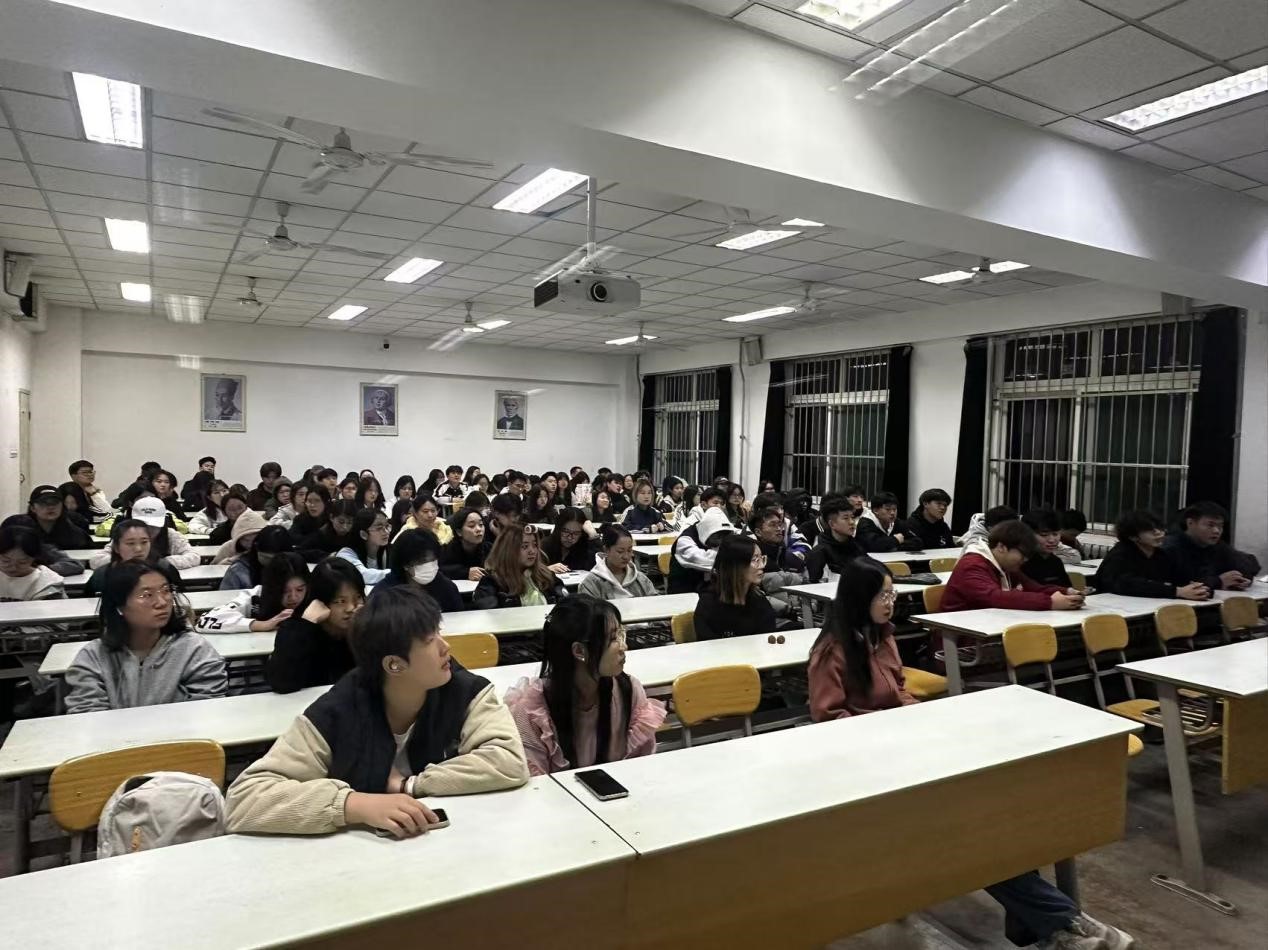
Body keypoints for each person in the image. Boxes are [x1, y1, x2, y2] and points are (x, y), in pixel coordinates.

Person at [807, 558, 1134, 950]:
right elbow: (829, 720)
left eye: (892, 594)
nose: (890, 603)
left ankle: (1059, 925)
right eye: (883, 596)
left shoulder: (883, 636)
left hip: (910, 752)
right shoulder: (832, 651)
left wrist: (917, 714)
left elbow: (898, 689)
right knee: (973, 836)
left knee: (995, 822)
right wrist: (887, 729)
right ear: (860, 598)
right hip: (872, 770)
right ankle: (1064, 923)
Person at [228, 587, 528, 838]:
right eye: (429, 640)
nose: (445, 646)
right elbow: (243, 800)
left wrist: (410, 785)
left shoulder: (465, 690)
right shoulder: (338, 710)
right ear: (394, 664)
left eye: (438, 632)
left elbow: (509, 761)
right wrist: (352, 805)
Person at [505, 595, 665, 775]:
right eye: (614, 638)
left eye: (621, 634)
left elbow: (642, 766)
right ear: (579, 651)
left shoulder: (629, 690)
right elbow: (538, 784)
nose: (624, 647)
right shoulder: (531, 710)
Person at [64, 561, 227, 713]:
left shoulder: (194, 649)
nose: (161, 602)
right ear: (119, 605)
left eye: (166, 591)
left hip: (182, 734)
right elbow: (88, 716)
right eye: (147, 595)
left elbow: (206, 709)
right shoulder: (94, 656)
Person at [267, 558, 365, 693]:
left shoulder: (365, 628)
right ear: (319, 602)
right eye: (340, 601)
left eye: (358, 598)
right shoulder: (294, 628)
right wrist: (305, 626)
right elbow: (282, 684)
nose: (351, 608)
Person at [943, 520, 1084, 612]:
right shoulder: (972, 565)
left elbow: (1034, 587)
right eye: (1022, 554)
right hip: (960, 639)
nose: (1025, 560)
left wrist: (1067, 592)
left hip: (988, 627)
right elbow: (994, 597)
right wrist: (1050, 602)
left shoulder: (1004, 565)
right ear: (1001, 547)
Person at [1094, 511, 1210, 601]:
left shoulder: (1161, 554)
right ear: (1133, 536)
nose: (1158, 532)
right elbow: (1127, 584)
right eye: (1150, 530)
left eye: (1159, 528)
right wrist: (1176, 591)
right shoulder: (1120, 554)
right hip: (1115, 607)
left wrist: (1197, 588)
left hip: (1148, 605)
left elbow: (1178, 577)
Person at [197, 553, 310, 634]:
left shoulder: (315, 597)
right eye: (284, 591)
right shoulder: (256, 596)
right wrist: (262, 625)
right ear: (272, 588)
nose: (293, 597)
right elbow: (204, 621)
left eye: (300, 590)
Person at [693, 534, 779, 640]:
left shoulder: (760, 602)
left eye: (762, 558)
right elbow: (706, 645)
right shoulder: (708, 605)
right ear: (735, 565)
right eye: (755, 560)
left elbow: (766, 641)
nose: (762, 565)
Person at [1163, 501, 1259, 592]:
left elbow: (1250, 564)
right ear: (1190, 523)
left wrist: (1241, 579)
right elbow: (1175, 584)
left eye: (1220, 526)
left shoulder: (1218, 546)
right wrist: (1218, 581)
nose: (1216, 531)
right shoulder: (1170, 547)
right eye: (1210, 525)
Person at [89, 497, 201, 571]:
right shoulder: (126, 535)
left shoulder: (171, 535)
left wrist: (160, 563)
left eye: (154, 526)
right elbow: (96, 560)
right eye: (144, 525)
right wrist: (128, 562)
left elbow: (194, 556)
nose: (149, 530)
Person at [472, 524, 565, 609]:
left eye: (535, 545)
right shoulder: (491, 582)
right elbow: (489, 614)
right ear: (508, 550)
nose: (532, 551)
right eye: (524, 546)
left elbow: (565, 604)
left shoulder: (546, 576)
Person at [82, 518, 181, 597]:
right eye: (130, 543)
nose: (138, 549)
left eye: (144, 542)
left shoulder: (165, 569)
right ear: (116, 548)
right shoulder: (102, 575)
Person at [374, 527, 463, 612]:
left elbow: (458, 616)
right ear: (405, 564)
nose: (429, 565)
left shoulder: (446, 587)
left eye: (433, 560)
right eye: (422, 561)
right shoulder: (384, 593)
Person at [577, 524, 658, 599]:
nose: (626, 556)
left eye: (629, 550)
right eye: (620, 551)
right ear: (606, 550)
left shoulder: (640, 579)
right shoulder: (591, 583)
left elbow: (655, 603)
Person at [668, 506, 736, 594]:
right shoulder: (685, 540)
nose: (720, 542)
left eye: (724, 537)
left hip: (710, 588)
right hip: (684, 590)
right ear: (707, 532)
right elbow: (702, 559)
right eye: (718, 537)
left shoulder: (717, 536)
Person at [805, 495, 868, 585]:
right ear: (832, 524)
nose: (851, 522)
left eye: (852, 517)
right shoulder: (819, 552)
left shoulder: (856, 546)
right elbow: (814, 586)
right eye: (846, 518)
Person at [0, 525, 66, 602]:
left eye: (22, 562)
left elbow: (56, 608)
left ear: (34, 558)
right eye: (5, 561)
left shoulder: (47, 582)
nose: (13, 567)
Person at [221, 524, 295, 591]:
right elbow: (225, 598)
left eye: (277, 558)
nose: (271, 563)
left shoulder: (295, 568)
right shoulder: (238, 570)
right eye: (266, 558)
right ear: (256, 549)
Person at [1021, 509, 1078, 588]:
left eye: (1055, 534)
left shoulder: (1056, 562)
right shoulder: (1019, 563)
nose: (1052, 540)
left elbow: (1066, 588)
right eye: (1044, 535)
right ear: (1027, 535)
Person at [24, 484, 92, 549]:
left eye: (55, 502)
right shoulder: (22, 530)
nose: (50, 507)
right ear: (32, 508)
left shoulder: (76, 534)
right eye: (44, 503)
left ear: (62, 506)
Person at [336, 508, 392, 585]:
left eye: (387, 526)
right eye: (379, 528)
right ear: (363, 534)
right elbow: (362, 575)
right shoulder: (346, 554)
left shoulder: (389, 550)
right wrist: (395, 573)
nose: (386, 532)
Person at [856, 491, 923, 554]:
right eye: (888, 509)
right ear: (876, 510)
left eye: (894, 509)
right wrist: (896, 540)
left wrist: (896, 546)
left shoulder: (897, 522)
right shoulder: (865, 523)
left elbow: (917, 542)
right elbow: (873, 545)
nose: (892, 513)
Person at [540, 507, 599, 574]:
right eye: (566, 531)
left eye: (576, 533)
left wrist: (593, 535)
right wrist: (547, 569)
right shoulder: (545, 545)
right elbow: (532, 571)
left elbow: (600, 568)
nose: (570, 537)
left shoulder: (584, 547)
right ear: (558, 529)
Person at [441, 508, 491, 582]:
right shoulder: (446, 549)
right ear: (459, 532)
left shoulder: (489, 548)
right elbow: (440, 570)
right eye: (471, 526)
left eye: (481, 525)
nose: (479, 529)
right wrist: (466, 572)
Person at [68, 459, 113, 523]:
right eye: (85, 472)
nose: (89, 474)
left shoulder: (96, 491)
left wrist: (94, 494)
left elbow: (107, 510)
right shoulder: (68, 491)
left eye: (91, 472)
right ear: (73, 476)